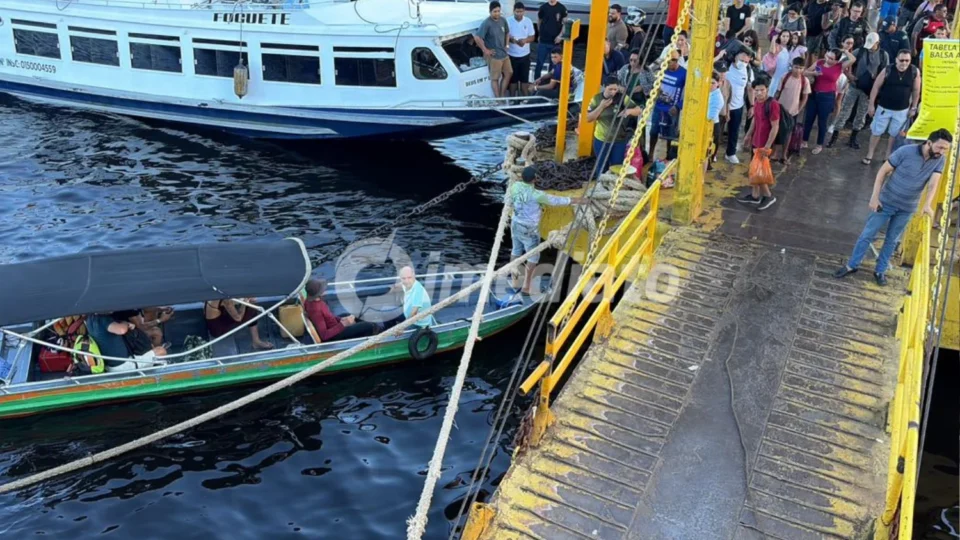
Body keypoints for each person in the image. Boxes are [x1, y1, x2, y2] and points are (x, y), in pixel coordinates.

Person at [834, 129, 951, 285]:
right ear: (929, 142)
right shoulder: (905, 151)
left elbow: (933, 184)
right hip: (886, 201)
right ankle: (852, 265)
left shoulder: (939, 159)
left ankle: (880, 270)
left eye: (945, 149)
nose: (942, 152)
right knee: (867, 234)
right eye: (940, 147)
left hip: (907, 207)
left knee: (892, 240)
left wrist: (928, 204)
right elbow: (882, 172)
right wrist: (875, 197)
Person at [507, 166, 584, 294]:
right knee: (533, 257)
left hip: (515, 223)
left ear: (522, 178)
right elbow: (556, 201)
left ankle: (515, 281)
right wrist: (577, 200)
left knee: (516, 250)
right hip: (529, 228)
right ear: (535, 179)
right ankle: (526, 287)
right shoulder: (537, 195)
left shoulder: (515, 186)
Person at [829, 32, 888, 149]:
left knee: (861, 113)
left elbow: (884, 72)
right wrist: (849, 75)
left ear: (877, 43)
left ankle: (853, 137)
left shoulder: (883, 55)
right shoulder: (860, 51)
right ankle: (834, 137)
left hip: (869, 90)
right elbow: (844, 63)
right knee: (845, 111)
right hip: (854, 86)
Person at [864, 49, 921, 164]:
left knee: (894, 134)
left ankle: (888, 156)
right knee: (876, 132)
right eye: (901, 60)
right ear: (896, 60)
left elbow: (916, 90)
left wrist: (914, 107)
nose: (904, 63)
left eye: (907, 60)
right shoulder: (888, 70)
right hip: (884, 108)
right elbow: (875, 87)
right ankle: (869, 154)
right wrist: (871, 105)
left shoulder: (914, 71)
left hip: (902, 110)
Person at [587, 75, 643, 175]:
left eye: (615, 89)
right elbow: (589, 118)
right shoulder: (596, 99)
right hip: (601, 140)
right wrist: (601, 106)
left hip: (619, 140)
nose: (613, 92)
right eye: (610, 89)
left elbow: (638, 110)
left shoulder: (622, 98)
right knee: (601, 167)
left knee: (616, 166)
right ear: (604, 87)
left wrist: (628, 111)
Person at [738, 79, 780, 210]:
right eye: (757, 90)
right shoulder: (757, 102)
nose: (760, 93)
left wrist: (767, 146)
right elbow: (755, 120)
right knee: (754, 169)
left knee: (759, 172)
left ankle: (768, 196)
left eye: (762, 90)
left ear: (767, 89)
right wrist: (748, 135)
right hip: (756, 142)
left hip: (764, 144)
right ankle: (755, 196)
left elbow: (775, 126)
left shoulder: (772, 104)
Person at [85, 312, 168, 371]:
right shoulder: (103, 319)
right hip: (123, 365)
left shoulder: (90, 319)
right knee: (161, 351)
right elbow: (122, 330)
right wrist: (125, 323)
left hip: (111, 364)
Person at [304, 279, 378, 341]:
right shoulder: (316, 310)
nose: (325, 289)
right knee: (369, 326)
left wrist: (341, 319)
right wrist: (343, 324)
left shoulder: (310, 301)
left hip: (335, 325)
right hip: (336, 335)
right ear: (318, 293)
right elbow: (324, 335)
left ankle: (369, 328)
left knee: (356, 316)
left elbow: (327, 316)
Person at [803, 49, 846, 154]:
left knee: (822, 122)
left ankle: (819, 144)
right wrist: (813, 73)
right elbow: (804, 71)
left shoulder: (839, 66)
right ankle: (804, 141)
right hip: (814, 94)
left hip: (827, 96)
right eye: (827, 56)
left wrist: (844, 50)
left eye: (831, 58)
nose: (828, 59)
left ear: (836, 61)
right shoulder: (820, 62)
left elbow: (853, 59)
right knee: (808, 119)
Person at [649, 51, 686, 160]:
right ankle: (651, 154)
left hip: (672, 109)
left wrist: (678, 106)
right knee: (654, 131)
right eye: (668, 60)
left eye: (673, 60)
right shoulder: (662, 69)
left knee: (671, 135)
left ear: (677, 60)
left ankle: (669, 156)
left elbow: (689, 94)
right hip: (658, 107)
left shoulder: (684, 73)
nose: (670, 63)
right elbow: (649, 70)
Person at [775, 57, 811, 160]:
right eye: (796, 67)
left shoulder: (805, 81)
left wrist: (799, 109)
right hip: (781, 109)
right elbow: (777, 93)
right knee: (777, 131)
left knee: (789, 133)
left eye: (800, 68)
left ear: (803, 68)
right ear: (792, 66)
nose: (798, 70)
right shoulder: (784, 77)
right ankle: (776, 152)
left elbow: (805, 97)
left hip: (793, 112)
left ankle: (784, 154)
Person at [724, 48, 755, 164]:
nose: (744, 63)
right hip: (723, 106)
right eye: (742, 60)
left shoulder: (748, 71)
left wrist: (752, 105)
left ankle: (730, 153)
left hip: (738, 106)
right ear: (735, 56)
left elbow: (750, 89)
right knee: (716, 131)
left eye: (746, 62)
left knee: (734, 130)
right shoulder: (726, 67)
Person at [474, 1, 512, 98]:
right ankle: (498, 98)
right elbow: (477, 37)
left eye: (498, 11)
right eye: (495, 11)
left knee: (509, 73)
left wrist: (507, 44)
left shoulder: (503, 20)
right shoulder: (486, 23)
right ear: (490, 11)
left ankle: (502, 95)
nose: (497, 13)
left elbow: (507, 32)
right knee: (495, 79)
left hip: (504, 54)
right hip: (494, 56)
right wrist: (485, 50)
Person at [205, 298, 274, 350]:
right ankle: (256, 342)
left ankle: (256, 341)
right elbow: (238, 318)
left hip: (221, 318)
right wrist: (244, 304)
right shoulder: (226, 300)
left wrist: (248, 299)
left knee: (251, 303)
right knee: (251, 308)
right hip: (218, 331)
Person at [507, 2, 536, 96]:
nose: (519, 14)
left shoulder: (528, 21)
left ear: (524, 11)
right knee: (513, 80)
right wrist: (512, 40)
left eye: (521, 12)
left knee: (524, 79)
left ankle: (526, 98)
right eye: (517, 12)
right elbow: (505, 37)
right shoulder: (508, 21)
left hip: (525, 55)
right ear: (513, 11)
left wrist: (525, 40)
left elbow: (532, 37)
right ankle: (512, 99)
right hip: (512, 55)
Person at [535, 0, 567, 79]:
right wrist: (540, 34)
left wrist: (560, 36)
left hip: (555, 43)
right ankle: (536, 83)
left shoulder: (562, 8)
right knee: (539, 64)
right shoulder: (543, 7)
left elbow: (565, 24)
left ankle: (550, 84)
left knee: (553, 65)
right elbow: (539, 21)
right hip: (543, 42)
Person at [765, 29, 794, 95]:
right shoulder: (777, 46)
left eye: (787, 36)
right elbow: (772, 52)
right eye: (783, 36)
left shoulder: (790, 48)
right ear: (780, 37)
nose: (785, 38)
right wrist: (773, 40)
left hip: (785, 74)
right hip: (775, 74)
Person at [707, 71, 726, 168]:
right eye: (708, 82)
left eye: (713, 83)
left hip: (711, 125)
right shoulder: (706, 93)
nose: (710, 85)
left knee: (708, 150)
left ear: (718, 83)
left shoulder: (718, 98)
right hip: (706, 123)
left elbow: (710, 116)